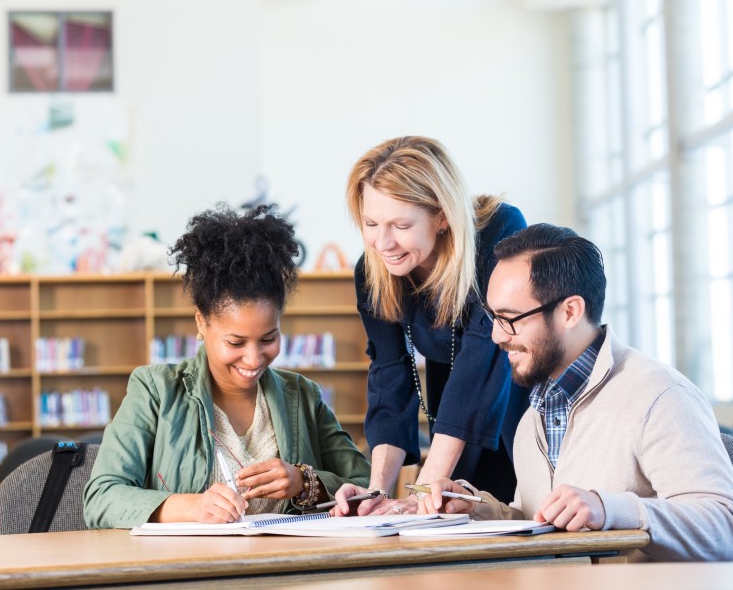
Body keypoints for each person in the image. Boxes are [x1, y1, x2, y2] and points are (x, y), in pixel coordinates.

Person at [421, 224, 733, 561]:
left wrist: (607, 508)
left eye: (510, 318)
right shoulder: (532, 416)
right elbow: (541, 525)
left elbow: (721, 525)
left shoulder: (661, 396)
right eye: (493, 318)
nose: (496, 336)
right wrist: (478, 509)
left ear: (570, 312)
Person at [83, 204, 371, 528]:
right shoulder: (155, 391)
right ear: (201, 322)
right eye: (236, 343)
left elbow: (367, 487)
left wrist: (305, 484)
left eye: (268, 339)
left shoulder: (302, 396)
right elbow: (102, 497)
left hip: (288, 572)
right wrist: (193, 508)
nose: (253, 358)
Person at [335, 136, 528, 516]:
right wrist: (376, 492)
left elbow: (482, 359)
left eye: (401, 225)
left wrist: (424, 490)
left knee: (514, 517)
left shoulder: (499, 231)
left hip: (519, 399)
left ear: (442, 216)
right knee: (449, 517)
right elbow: (389, 377)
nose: (382, 242)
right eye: (371, 223)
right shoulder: (372, 271)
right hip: (453, 408)